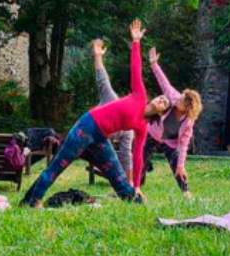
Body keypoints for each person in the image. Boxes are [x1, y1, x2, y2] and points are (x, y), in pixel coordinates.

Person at [21, 20, 170, 207]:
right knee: (59, 166)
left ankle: (134, 200)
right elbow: (136, 69)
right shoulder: (140, 96)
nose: (161, 100)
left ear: (163, 112)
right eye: (161, 97)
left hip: (100, 137)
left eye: (165, 103)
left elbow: (137, 155)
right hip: (86, 126)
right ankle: (33, 201)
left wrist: (138, 185)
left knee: (118, 174)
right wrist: (136, 42)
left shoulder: (142, 126)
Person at [142, 46, 203, 195]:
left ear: (187, 108)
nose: (178, 99)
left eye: (182, 100)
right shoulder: (174, 96)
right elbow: (164, 82)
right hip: (152, 134)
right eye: (181, 96)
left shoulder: (188, 122)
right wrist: (154, 64)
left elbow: (183, 145)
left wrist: (181, 165)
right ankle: (136, 187)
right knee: (141, 158)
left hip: (170, 142)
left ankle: (186, 193)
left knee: (178, 165)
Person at [90, 38, 134, 179]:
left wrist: (130, 182)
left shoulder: (129, 128)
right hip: (86, 128)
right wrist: (98, 56)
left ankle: (115, 177)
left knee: (112, 152)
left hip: (99, 141)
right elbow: (102, 79)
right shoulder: (112, 99)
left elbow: (126, 154)